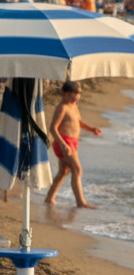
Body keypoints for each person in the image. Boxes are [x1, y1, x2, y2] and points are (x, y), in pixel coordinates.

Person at [44, 81, 101, 209]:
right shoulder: (62, 107)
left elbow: (78, 121)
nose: (77, 96)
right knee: (77, 169)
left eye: (78, 94)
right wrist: (63, 144)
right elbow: (53, 128)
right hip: (64, 142)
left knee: (63, 171)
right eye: (74, 94)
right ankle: (81, 202)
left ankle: (49, 198)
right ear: (65, 93)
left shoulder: (73, 106)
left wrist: (91, 129)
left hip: (72, 141)